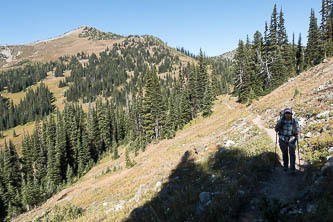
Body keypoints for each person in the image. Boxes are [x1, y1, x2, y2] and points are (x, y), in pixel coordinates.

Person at [275, 108, 300, 174]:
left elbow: (298, 129)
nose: (287, 115)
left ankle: (292, 169)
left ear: (291, 114)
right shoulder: (281, 121)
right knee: (285, 153)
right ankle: (285, 166)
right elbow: (276, 129)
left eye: (289, 113)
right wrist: (278, 125)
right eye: (286, 113)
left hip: (292, 139)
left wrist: (296, 134)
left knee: (292, 154)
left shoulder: (294, 121)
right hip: (282, 139)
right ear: (284, 114)